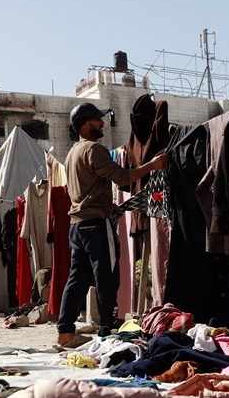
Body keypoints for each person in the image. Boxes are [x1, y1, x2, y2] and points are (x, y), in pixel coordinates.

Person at [57, 103, 169, 346]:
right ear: (85, 124)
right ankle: (108, 327)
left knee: (76, 279)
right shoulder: (94, 149)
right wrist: (153, 165)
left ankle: (65, 331)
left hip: (77, 225)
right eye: (98, 120)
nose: (102, 123)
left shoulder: (72, 152)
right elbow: (121, 178)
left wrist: (109, 206)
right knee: (106, 275)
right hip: (96, 225)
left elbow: (84, 190)